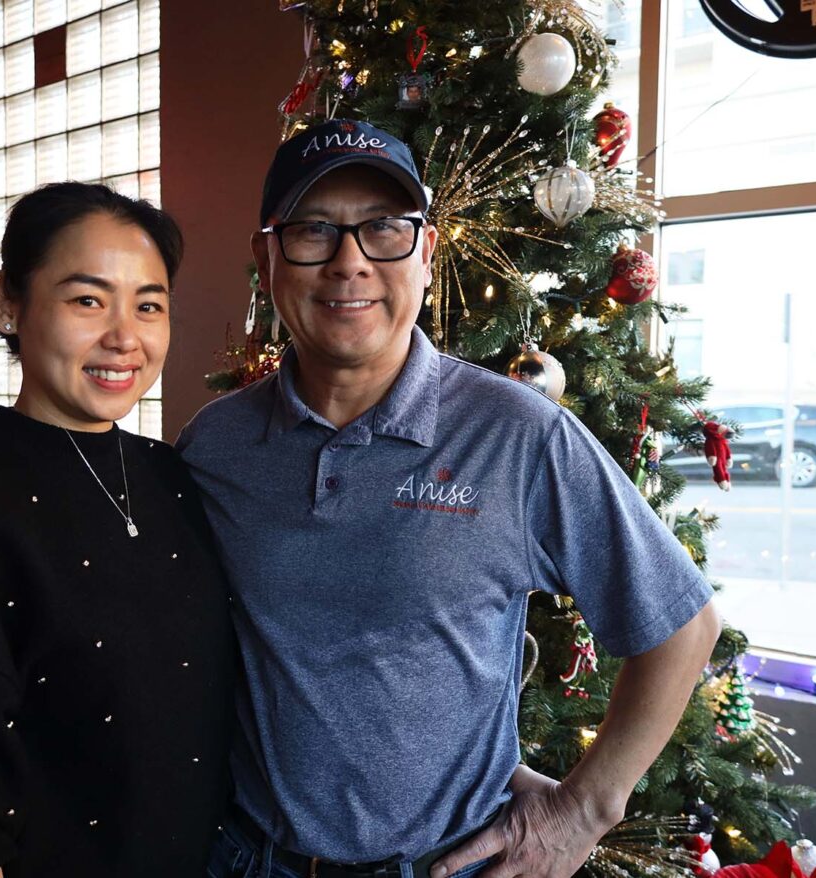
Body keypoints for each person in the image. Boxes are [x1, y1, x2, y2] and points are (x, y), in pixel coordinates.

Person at [177, 119, 722, 878]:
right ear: (266, 258)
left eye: (384, 230)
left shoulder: (517, 433)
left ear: (427, 255)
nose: (349, 263)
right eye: (313, 231)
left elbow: (683, 624)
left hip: (443, 866)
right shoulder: (215, 446)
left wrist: (583, 812)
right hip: (247, 858)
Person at [0, 182, 233, 877]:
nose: (124, 336)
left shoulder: (171, 475)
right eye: (87, 299)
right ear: (9, 302)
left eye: (149, 305)